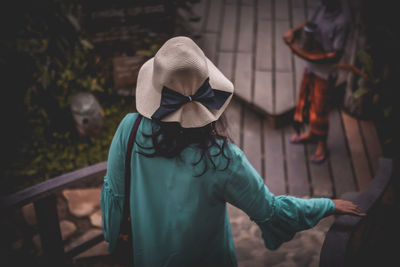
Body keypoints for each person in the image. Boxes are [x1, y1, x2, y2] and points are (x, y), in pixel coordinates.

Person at [100, 36, 364, 267]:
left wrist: (114, 243)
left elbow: (114, 196)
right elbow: (270, 211)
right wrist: (327, 205)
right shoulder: (222, 159)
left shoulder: (130, 129)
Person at [283, 0, 349, 164]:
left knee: (320, 110)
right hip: (311, 68)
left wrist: (308, 56)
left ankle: (322, 144)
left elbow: (335, 54)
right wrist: (294, 31)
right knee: (306, 101)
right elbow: (308, 23)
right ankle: (312, 134)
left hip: (325, 73)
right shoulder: (321, 8)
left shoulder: (341, 21)